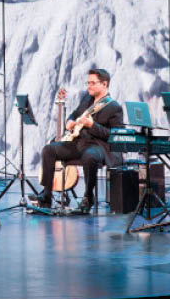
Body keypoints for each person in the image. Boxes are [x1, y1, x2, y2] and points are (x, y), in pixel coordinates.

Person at [34, 68, 123, 213]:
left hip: (98, 146)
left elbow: (113, 135)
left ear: (104, 84)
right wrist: (69, 122)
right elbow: (74, 114)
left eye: (93, 83)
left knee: (90, 156)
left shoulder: (114, 107)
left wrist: (92, 126)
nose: (89, 86)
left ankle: (88, 197)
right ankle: (47, 195)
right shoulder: (87, 100)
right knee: (49, 149)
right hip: (79, 142)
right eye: (88, 83)